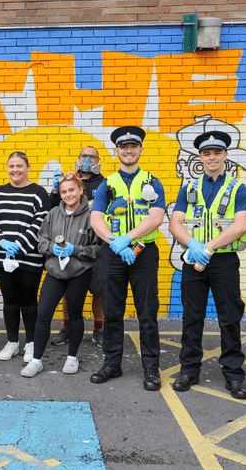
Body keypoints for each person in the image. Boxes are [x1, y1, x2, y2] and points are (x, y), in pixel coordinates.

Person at [168, 131, 246, 399]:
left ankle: (234, 376)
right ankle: (189, 371)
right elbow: (175, 223)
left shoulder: (238, 188)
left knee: (229, 318)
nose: (212, 157)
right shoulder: (189, 188)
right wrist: (193, 245)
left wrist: (209, 246)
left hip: (223, 260)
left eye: (217, 152)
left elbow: (241, 225)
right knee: (192, 318)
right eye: (206, 153)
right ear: (200, 157)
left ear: (225, 156)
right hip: (194, 261)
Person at [89, 126, 166, 391]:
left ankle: (151, 368)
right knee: (112, 311)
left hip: (144, 252)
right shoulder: (107, 183)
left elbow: (156, 217)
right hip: (113, 253)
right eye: (124, 147)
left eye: (133, 147)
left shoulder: (152, 181)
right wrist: (114, 242)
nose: (129, 151)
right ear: (117, 151)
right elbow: (95, 217)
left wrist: (128, 237)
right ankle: (112, 364)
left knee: (147, 312)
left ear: (140, 150)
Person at [21, 171, 101, 377]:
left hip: (79, 272)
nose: (67, 195)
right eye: (64, 191)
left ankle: (72, 357)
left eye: (72, 190)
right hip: (55, 272)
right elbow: (41, 242)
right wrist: (51, 249)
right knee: (43, 314)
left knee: (74, 314)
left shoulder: (92, 215)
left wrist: (76, 249)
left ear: (80, 189)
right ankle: (37, 360)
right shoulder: (52, 213)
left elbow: (98, 249)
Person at [0, 152, 50, 363]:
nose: (15, 170)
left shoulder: (39, 193)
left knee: (29, 301)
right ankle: (12, 342)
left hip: (30, 257)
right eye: (11, 166)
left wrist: (19, 245)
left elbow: (40, 223)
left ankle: (31, 343)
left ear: (28, 167)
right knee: (10, 300)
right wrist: (3, 243)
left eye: (20, 165)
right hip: (2, 257)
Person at [49, 146, 106, 348]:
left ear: (98, 160)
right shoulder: (68, 181)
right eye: (84, 156)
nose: (88, 160)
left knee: (99, 291)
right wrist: (56, 189)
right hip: (69, 245)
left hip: (95, 247)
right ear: (78, 158)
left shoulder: (105, 183)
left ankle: (99, 330)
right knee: (67, 292)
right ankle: (67, 328)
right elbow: (52, 208)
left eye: (92, 157)